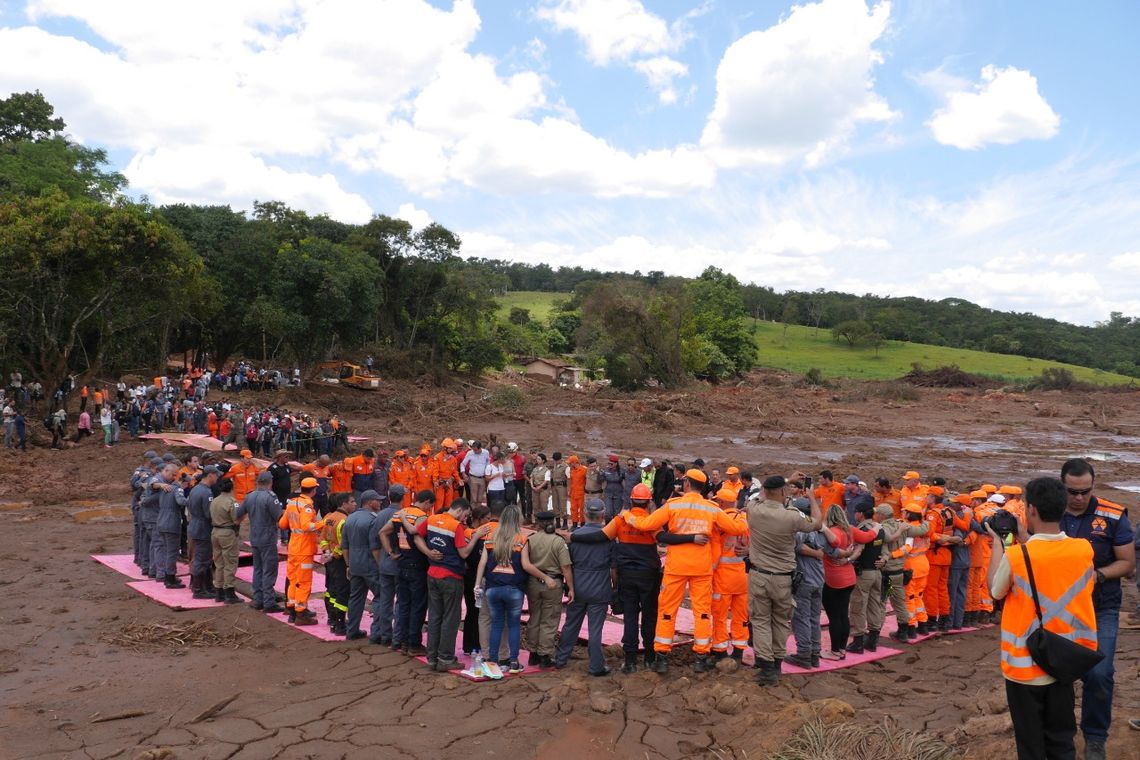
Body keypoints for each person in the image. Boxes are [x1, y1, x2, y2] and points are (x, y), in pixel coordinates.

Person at [988, 477, 1098, 760]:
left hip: (1024, 668)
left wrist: (998, 545)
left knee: (1031, 745)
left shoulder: (1016, 555)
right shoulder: (1084, 550)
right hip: (1065, 661)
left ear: (1031, 509)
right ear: (1063, 508)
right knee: (1061, 741)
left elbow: (995, 591)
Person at [624, 469, 748, 674]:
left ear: (687, 484)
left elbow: (646, 524)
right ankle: (701, 656)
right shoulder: (712, 508)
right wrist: (742, 517)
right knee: (702, 612)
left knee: (667, 610)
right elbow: (735, 529)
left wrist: (628, 516)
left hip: (677, 567)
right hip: (702, 568)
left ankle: (662, 657)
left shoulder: (673, 505)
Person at [1058, 458, 1135, 760]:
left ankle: (1095, 737)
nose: (1078, 498)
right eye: (1072, 492)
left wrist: (1098, 575)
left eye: (1085, 491)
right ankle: (1061, 735)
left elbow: (1127, 564)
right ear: (1061, 485)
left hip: (1101, 606)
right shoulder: (1049, 512)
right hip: (1060, 608)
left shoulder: (1113, 515)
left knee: (1100, 673)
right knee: (1058, 672)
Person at [747, 475, 822, 685]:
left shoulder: (754, 510)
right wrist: (812, 497)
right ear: (782, 492)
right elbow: (817, 523)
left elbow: (760, 493)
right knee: (781, 621)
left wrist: (786, 478)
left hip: (759, 575)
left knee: (761, 621)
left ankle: (766, 667)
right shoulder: (791, 516)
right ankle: (777, 663)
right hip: (784, 579)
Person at [407, 493, 487, 671]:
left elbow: (416, 536)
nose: (465, 519)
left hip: (433, 574)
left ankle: (432, 656)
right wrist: (475, 536)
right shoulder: (456, 526)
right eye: (465, 515)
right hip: (451, 576)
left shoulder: (432, 519)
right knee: (451, 618)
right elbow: (464, 553)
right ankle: (445, 658)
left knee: (435, 616)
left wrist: (428, 552)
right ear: (459, 510)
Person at [553, 500, 610, 676]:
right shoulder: (607, 537)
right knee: (595, 630)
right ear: (603, 514)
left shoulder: (574, 537)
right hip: (599, 587)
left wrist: (569, 586)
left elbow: (566, 564)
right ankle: (596, 666)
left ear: (585, 514)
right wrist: (615, 588)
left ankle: (561, 659)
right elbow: (615, 568)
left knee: (571, 624)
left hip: (577, 586)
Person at [474, 505, 531, 674]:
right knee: (513, 626)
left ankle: (492, 661)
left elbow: (482, 563)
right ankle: (513, 661)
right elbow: (526, 565)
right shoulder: (521, 539)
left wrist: (477, 585)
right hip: (514, 589)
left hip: (493, 589)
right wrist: (545, 577)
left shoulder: (490, 538)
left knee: (496, 624)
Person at [846, 502, 902, 653]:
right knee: (874, 605)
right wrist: (884, 559)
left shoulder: (862, 530)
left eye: (856, 512)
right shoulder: (880, 529)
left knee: (858, 606)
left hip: (863, 573)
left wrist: (846, 560)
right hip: (877, 573)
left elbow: (857, 551)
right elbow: (885, 549)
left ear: (860, 514)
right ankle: (872, 640)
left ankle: (857, 641)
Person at [523, 510, 572, 668]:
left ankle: (532, 653)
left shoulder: (530, 539)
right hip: (553, 582)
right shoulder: (558, 541)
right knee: (549, 619)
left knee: (534, 617)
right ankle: (544, 655)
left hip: (533, 582)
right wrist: (571, 588)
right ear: (552, 522)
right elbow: (565, 567)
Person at [787, 482, 826, 669]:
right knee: (814, 617)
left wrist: (813, 552)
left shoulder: (801, 528)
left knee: (801, 618)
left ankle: (804, 654)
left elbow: (798, 546)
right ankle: (814, 654)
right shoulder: (821, 528)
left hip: (804, 578)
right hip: (818, 578)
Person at [877, 503, 929, 643]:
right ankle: (912, 629)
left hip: (895, 571)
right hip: (914, 568)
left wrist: (889, 556)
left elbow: (904, 547)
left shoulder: (893, 527)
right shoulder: (909, 527)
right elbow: (926, 528)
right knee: (911, 599)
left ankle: (876, 634)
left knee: (886, 601)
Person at [236, 473, 284, 613]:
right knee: (269, 569)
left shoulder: (249, 496)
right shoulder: (270, 497)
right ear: (270, 482)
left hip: (254, 536)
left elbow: (239, 512)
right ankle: (269, 601)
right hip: (268, 537)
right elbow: (279, 517)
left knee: (257, 568)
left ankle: (258, 599)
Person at [343, 490, 381, 641]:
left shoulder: (350, 518)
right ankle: (376, 633)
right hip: (370, 564)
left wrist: (348, 565)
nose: (380, 503)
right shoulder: (373, 519)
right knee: (380, 597)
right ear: (369, 502)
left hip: (355, 565)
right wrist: (380, 565)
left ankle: (352, 630)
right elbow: (375, 547)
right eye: (377, 500)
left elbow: (344, 545)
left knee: (356, 598)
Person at [373, 484, 407, 646]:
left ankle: (384, 634)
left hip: (384, 563)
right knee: (400, 602)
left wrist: (381, 560)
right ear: (403, 497)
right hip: (399, 562)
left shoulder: (379, 515)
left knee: (385, 600)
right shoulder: (402, 515)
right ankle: (397, 637)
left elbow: (374, 541)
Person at [318, 492, 353, 635]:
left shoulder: (328, 518)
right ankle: (340, 625)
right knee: (343, 592)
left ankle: (332, 619)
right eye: (352, 501)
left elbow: (323, 539)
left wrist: (327, 553)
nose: (354, 504)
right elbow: (344, 544)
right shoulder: (344, 521)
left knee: (331, 590)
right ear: (344, 504)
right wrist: (337, 555)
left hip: (329, 560)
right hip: (339, 561)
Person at [153, 463, 189, 589]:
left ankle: (166, 575)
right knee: (172, 552)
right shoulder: (176, 488)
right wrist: (191, 499)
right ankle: (170, 578)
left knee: (164, 549)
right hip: (172, 523)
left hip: (161, 521)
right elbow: (180, 501)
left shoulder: (164, 488)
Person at [186, 467, 218, 600]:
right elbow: (209, 514)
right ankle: (199, 589)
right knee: (202, 559)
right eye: (216, 475)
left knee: (202, 558)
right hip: (203, 529)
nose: (217, 478)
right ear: (210, 475)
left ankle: (205, 586)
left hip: (195, 526)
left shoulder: (196, 489)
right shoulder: (206, 492)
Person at [209, 478, 243, 604]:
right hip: (227, 533)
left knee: (219, 563)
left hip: (215, 531)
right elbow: (236, 520)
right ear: (232, 488)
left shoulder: (215, 500)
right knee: (230, 562)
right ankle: (229, 592)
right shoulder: (232, 502)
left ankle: (218, 590)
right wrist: (243, 514)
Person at [461, 441, 490, 507]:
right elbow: (462, 464)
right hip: (473, 478)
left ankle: (479, 513)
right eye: (473, 450)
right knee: (474, 499)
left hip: (483, 478)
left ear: (480, 448)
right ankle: (473, 514)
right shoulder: (470, 453)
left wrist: (487, 473)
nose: (474, 451)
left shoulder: (486, 452)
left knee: (480, 498)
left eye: (476, 450)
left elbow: (488, 462)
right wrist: (463, 473)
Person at [602, 454, 625, 520]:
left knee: (616, 513)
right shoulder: (606, 470)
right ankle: (607, 528)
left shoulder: (621, 471)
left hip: (618, 494)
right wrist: (598, 473)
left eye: (611, 464)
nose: (610, 465)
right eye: (609, 463)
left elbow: (628, 479)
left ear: (616, 463)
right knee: (608, 513)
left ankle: (616, 528)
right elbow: (600, 480)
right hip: (608, 494)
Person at [567, 455, 587, 529]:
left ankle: (583, 524)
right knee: (573, 509)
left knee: (582, 509)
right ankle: (574, 524)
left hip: (581, 493)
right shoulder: (572, 470)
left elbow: (587, 481)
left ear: (574, 462)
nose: (569, 464)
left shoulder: (584, 470)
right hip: (573, 494)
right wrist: (570, 491)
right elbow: (571, 482)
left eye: (570, 463)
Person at [529, 453, 551, 517]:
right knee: (535, 506)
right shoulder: (535, 469)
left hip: (543, 490)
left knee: (543, 506)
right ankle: (537, 521)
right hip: (535, 489)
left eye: (539, 459)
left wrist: (539, 487)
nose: (537, 460)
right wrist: (532, 486)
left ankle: (544, 522)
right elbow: (531, 478)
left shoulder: (547, 470)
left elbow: (546, 481)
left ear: (543, 461)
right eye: (537, 459)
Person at [550, 452, 569, 526]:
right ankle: (557, 522)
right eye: (555, 460)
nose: (556, 461)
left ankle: (565, 523)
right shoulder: (554, 465)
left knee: (562, 504)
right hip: (554, 486)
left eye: (557, 460)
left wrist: (568, 489)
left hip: (562, 487)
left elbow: (569, 478)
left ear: (561, 459)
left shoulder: (566, 467)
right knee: (555, 504)